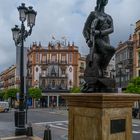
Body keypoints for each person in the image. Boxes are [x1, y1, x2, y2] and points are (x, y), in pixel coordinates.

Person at [83, 0, 115, 77]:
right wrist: (87, 40)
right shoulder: (93, 14)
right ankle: (102, 69)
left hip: (106, 39)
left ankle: (101, 69)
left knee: (104, 56)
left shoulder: (109, 17)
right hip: (97, 40)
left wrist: (100, 32)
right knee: (112, 50)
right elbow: (85, 30)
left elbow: (112, 29)